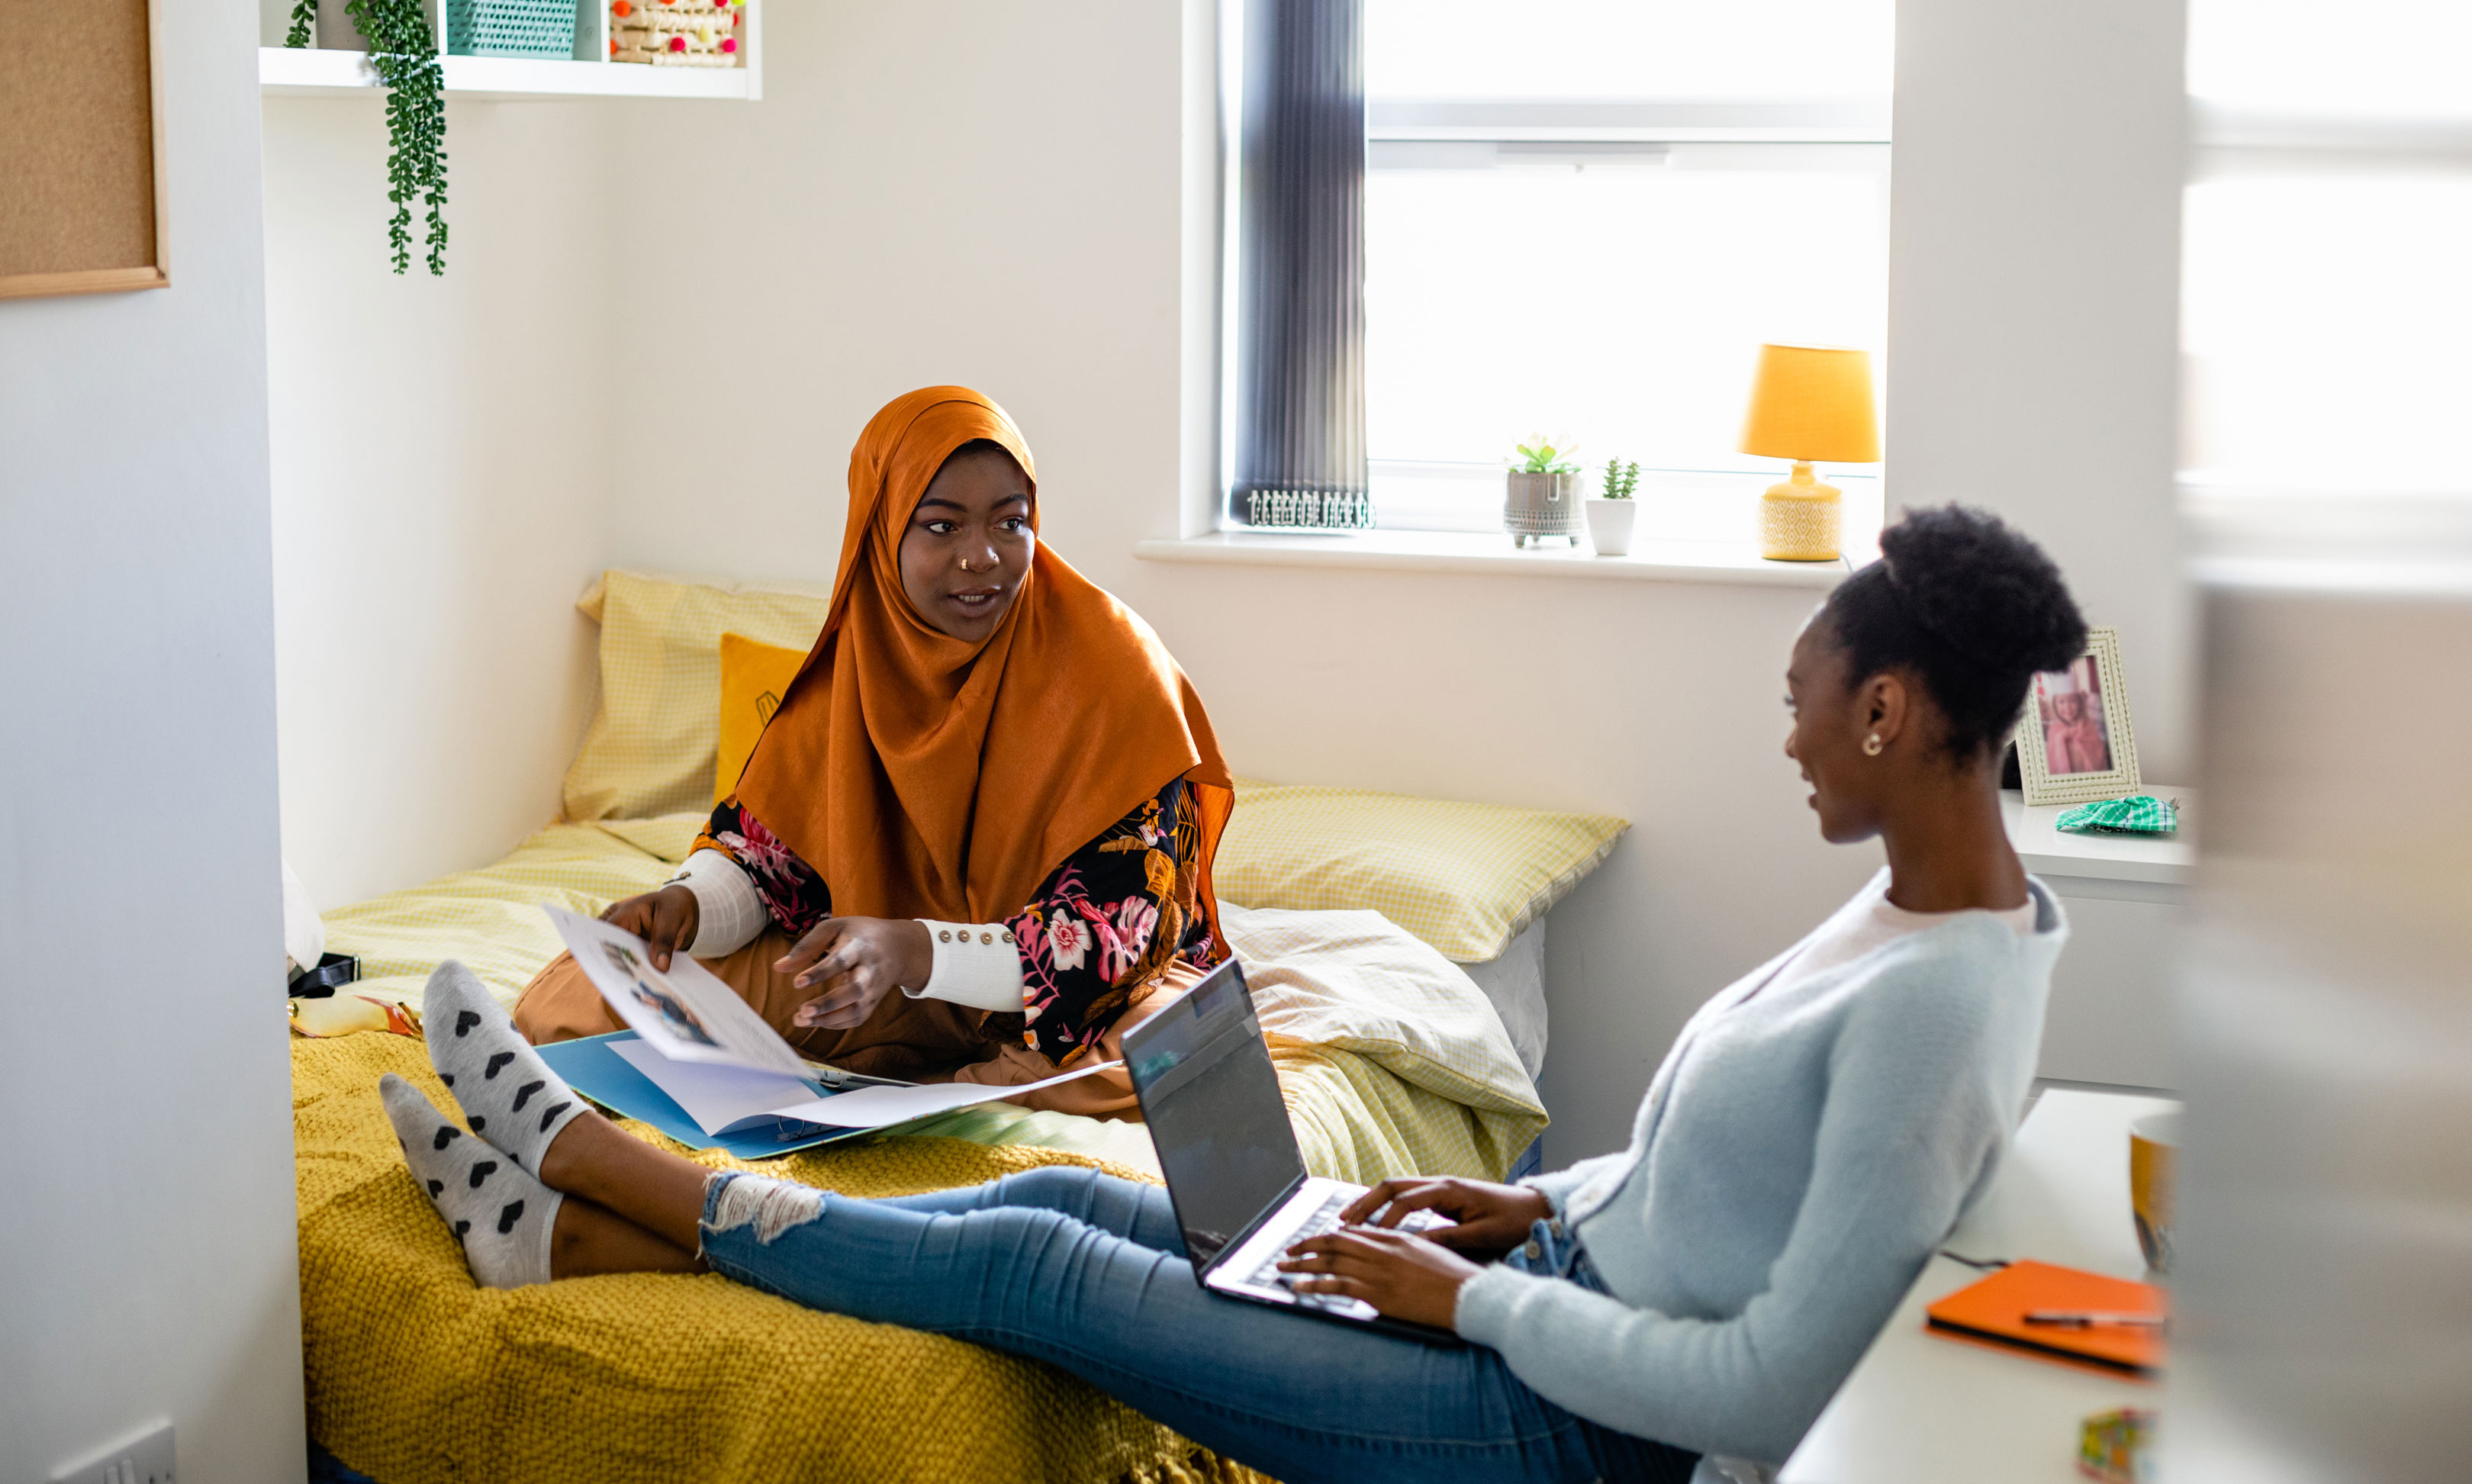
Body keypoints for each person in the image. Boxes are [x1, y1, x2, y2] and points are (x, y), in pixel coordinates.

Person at [386, 504, 2087, 1482]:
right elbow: (1714, 1191)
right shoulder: (1913, 908)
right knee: (1055, 1182)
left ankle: (620, 1173)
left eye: (1802, 698)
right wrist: (1510, 1207)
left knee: (1035, 1257)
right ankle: (566, 1242)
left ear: (1883, 713)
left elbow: (1777, 1392)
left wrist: (1465, 1308)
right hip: (1542, 1290)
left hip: (1557, 1430)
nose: (1784, 733)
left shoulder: (1939, 1001)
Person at [511, 388, 1234, 1109]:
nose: (982, 557)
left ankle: (930, 1089)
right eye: (941, 526)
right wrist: (687, 906)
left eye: (1010, 523)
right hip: (881, 977)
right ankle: (947, 1082)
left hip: (1064, 1004)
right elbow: (772, 855)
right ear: (880, 535)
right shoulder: (854, 667)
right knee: (574, 1005)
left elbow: (1113, 942)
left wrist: (914, 949)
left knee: (1188, 1063)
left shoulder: (1116, 671)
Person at [2044, 682, 2108, 774]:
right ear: (2055, 705)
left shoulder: (2089, 727)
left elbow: (2099, 757)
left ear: (2079, 703)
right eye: (2061, 702)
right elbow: (2053, 762)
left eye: (2072, 701)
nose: (2067, 707)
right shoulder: (2054, 730)